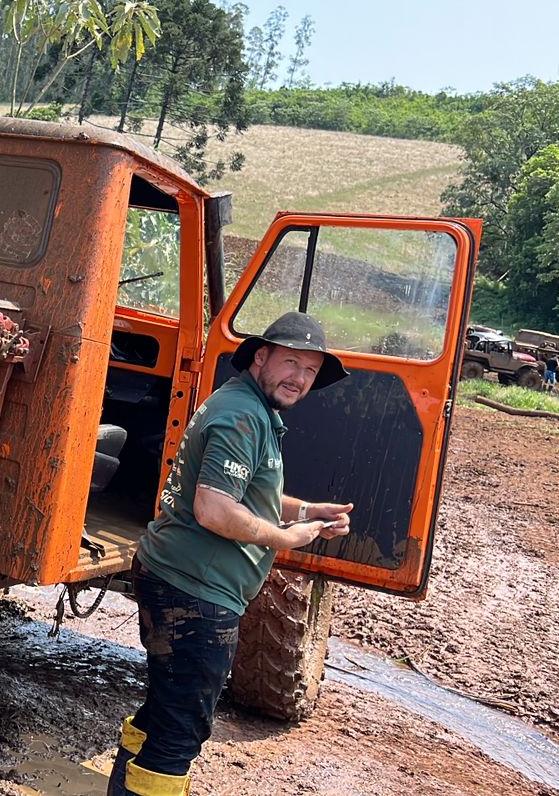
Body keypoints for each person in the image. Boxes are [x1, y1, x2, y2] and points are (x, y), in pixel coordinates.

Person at [110, 312, 355, 796]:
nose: (299, 379)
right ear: (260, 356)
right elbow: (215, 510)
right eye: (291, 363)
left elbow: (243, 490)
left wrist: (306, 509)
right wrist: (290, 537)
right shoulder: (241, 416)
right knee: (181, 731)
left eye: (310, 371)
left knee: (163, 710)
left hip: (179, 579)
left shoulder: (250, 408)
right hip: (195, 593)